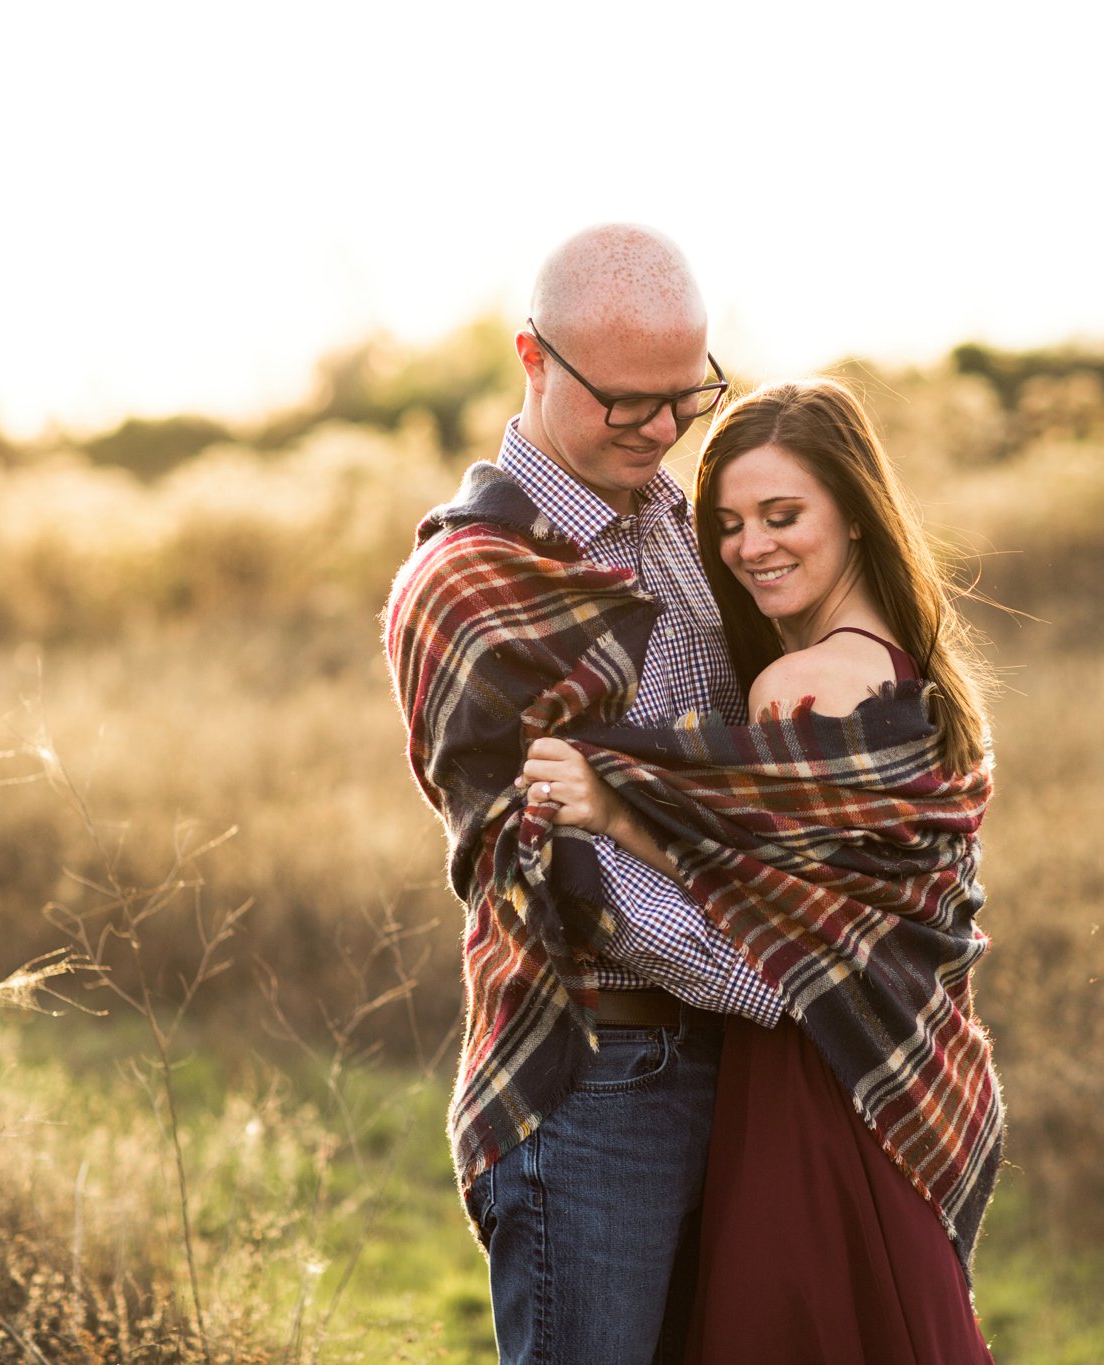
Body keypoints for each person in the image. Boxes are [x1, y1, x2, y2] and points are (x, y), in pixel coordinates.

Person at [520, 378, 1000, 1362]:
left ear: (856, 516)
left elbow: (758, 896)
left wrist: (613, 803)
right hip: (885, 1081)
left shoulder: (797, 686)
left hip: (808, 1087)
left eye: (783, 516)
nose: (750, 547)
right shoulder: (911, 669)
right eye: (728, 524)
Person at [383, 223, 785, 1365]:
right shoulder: (467, 582)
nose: (662, 432)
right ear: (533, 358)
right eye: (626, 403)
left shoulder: (695, 527)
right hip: (597, 1079)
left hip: (742, 1064)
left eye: (686, 397)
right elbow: (569, 873)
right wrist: (802, 984)